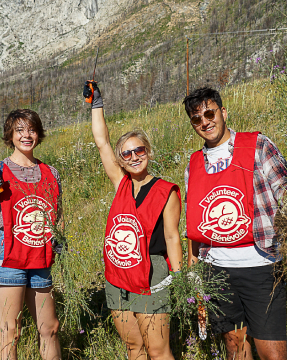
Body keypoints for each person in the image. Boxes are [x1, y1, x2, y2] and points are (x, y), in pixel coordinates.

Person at [182, 87, 287, 360]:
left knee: (272, 352)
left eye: (210, 113)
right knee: (234, 346)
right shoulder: (194, 164)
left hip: (261, 267)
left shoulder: (257, 145)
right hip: (216, 270)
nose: (205, 122)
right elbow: (194, 224)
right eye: (197, 119)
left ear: (223, 112)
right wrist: (193, 269)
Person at [85, 81, 183, 360]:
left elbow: (173, 237)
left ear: (148, 152)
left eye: (139, 150)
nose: (133, 157)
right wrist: (96, 104)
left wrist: (180, 281)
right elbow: (101, 141)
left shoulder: (166, 191)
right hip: (119, 272)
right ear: (121, 160)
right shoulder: (121, 183)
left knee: (157, 349)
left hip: (152, 272)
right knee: (134, 348)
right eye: (126, 154)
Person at [0, 109, 62, 360]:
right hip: (6, 253)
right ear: (10, 135)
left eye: (32, 129)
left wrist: (60, 240)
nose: (27, 135)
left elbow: (58, 216)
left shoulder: (52, 173)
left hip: (40, 251)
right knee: (10, 331)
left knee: (50, 328)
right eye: (20, 130)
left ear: (39, 134)